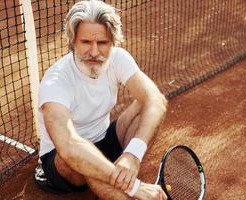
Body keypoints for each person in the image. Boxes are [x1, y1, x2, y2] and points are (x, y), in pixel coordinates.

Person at [34, 0, 168, 199]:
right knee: (79, 156)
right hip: (64, 162)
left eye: (102, 43)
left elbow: (155, 100)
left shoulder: (118, 58)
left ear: (112, 42)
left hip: (103, 139)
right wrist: (133, 188)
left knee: (146, 104)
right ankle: (118, 184)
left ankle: (114, 174)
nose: (95, 52)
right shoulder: (55, 81)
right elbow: (69, 145)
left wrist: (132, 156)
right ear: (73, 41)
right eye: (86, 42)